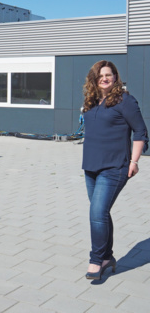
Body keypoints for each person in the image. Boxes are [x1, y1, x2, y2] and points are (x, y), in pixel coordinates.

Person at [82, 60, 148, 280]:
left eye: (109, 75)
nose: (104, 78)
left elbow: (140, 132)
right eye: (100, 75)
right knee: (101, 212)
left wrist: (134, 161)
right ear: (94, 79)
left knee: (97, 213)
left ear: (116, 77)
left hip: (115, 167)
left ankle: (96, 260)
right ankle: (108, 257)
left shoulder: (125, 101)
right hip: (90, 167)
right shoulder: (91, 102)